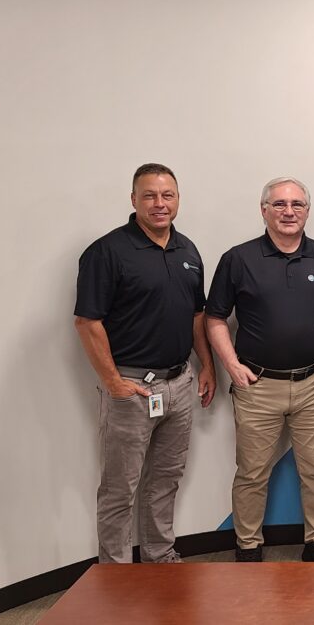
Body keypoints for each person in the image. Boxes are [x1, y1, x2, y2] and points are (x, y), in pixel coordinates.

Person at [75, 163, 216, 564]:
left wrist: (206, 366)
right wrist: (113, 382)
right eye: (149, 195)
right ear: (133, 199)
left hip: (179, 384)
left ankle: (159, 556)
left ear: (178, 199)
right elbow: (87, 322)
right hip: (132, 389)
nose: (159, 203)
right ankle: (116, 571)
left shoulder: (187, 250)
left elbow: (196, 315)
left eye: (167, 195)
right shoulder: (107, 252)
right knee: (120, 489)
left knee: (165, 481)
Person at [206, 177, 314, 563]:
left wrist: (304, 331)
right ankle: (248, 545)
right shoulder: (238, 259)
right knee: (252, 472)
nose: (289, 211)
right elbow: (215, 318)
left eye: (297, 204)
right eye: (280, 204)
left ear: (307, 211)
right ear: (264, 210)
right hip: (257, 384)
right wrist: (231, 365)